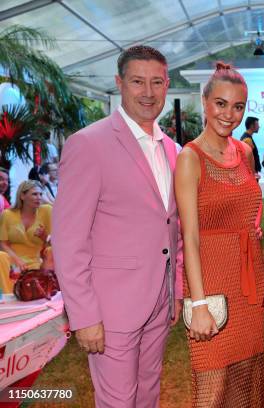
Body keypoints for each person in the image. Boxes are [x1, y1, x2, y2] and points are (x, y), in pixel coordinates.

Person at [52, 45, 183, 408]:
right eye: (138, 81)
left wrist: (177, 291)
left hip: (158, 300)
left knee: (148, 393)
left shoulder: (171, 149)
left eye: (157, 82)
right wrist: (84, 315)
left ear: (167, 84)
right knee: (117, 402)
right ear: (119, 84)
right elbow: (67, 239)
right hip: (110, 309)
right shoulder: (88, 145)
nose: (148, 92)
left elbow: (173, 228)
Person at [174, 62, 264, 407]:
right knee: (211, 387)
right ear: (205, 102)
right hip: (211, 284)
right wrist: (198, 305)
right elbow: (191, 238)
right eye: (221, 103)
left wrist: (250, 222)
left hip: (248, 281)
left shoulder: (243, 152)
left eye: (238, 106)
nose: (229, 114)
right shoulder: (190, 158)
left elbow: (248, 200)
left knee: (245, 381)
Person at [0, 180, 53, 293]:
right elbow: (3, 243)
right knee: (0, 256)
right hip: (12, 259)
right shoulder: (7, 214)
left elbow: (57, 242)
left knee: (52, 250)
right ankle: (8, 295)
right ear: (22, 196)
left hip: (37, 260)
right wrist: (16, 260)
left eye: (40, 194)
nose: (39, 197)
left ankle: (47, 288)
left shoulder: (47, 211)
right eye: (34, 194)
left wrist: (45, 237)